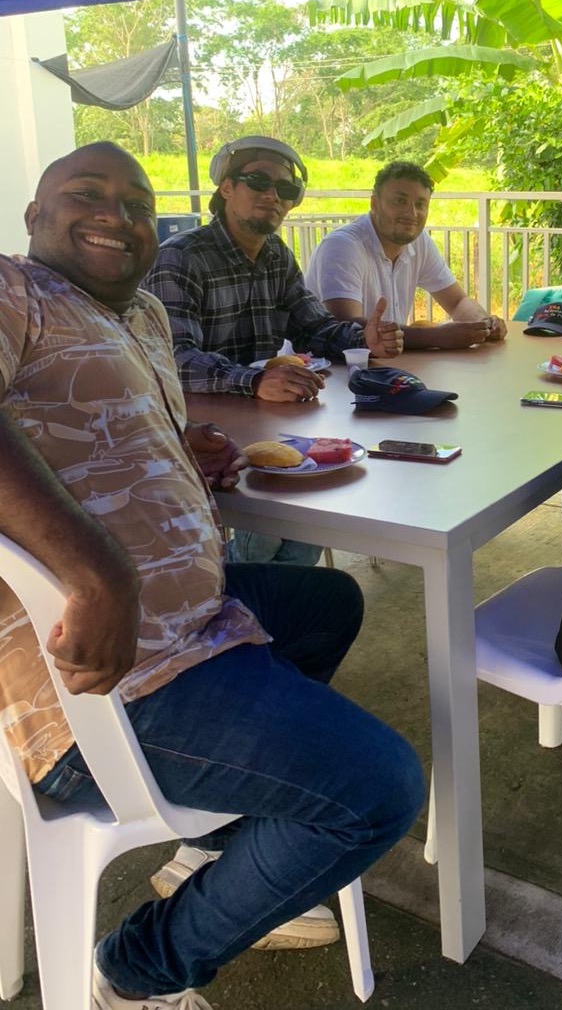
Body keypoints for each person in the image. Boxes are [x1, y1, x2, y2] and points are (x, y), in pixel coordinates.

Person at [0, 141, 424, 1010]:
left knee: (328, 602)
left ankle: (221, 837)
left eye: (139, 203)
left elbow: (93, 428)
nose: (118, 215)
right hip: (94, 680)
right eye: (87, 194)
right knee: (380, 788)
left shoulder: (142, 314)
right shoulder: (14, 290)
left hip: (189, 622)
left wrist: (181, 449)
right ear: (35, 215)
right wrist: (95, 572)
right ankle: (138, 972)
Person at [142, 135, 404, 565]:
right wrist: (255, 380)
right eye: (258, 181)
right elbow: (172, 359)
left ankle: (262, 596)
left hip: (261, 423)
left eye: (285, 188)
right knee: (273, 533)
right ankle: (235, 586)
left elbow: (313, 326)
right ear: (227, 188)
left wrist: (364, 340)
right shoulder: (180, 259)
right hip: (196, 435)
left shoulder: (276, 256)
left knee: (318, 503)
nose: (272, 195)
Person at [305, 160, 507, 349]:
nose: (412, 213)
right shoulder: (343, 246)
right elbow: (346, 327)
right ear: (374, 203)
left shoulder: (419, 242)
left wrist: (484, 323)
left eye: (420, 204)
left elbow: (457, 302)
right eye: (400, 201)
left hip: (386, 362)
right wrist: (437, 337)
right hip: (326, 369)